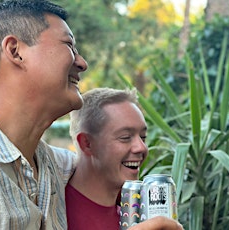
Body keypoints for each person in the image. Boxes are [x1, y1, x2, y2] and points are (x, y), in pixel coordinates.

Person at [0, 1, 181, 229]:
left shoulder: (49, 165)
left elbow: (100, 167)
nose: (82, 62)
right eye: (69, 45)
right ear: (15, 51)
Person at [66, 87, 182, 230]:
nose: (142, 147)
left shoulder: (138, 213)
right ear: (87, 143)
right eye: (125, 137)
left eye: (143, 137)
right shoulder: (53, 210)